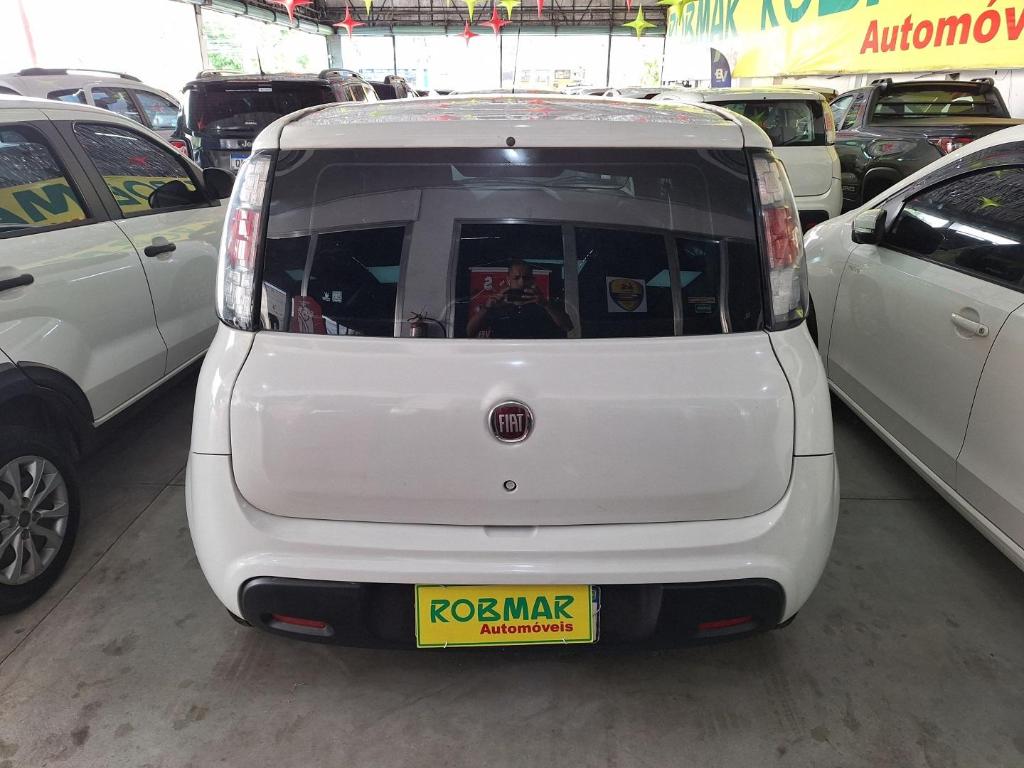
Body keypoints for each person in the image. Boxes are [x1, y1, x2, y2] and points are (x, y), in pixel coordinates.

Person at [466, 260, 574, 339]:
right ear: (508, 280)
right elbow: (470, 332)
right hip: (502, 356)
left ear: (532, 280)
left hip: (536, 356)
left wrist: (546, 305)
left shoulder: (543, 305)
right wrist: (486, 308)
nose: (521, 282)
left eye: (526, 278)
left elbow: (567, 327)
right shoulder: (498, 305)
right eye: (516, 278)